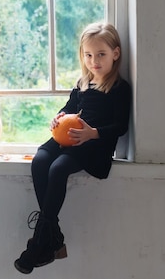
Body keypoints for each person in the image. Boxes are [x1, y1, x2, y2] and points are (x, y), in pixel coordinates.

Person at [14, 22, 132, 274]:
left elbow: (120, 126)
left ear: (116, 53)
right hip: (67, 138)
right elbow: (68, 108)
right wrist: (57, 117)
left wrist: (93, 133)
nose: (94, 61)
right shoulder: (82, 83)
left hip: (92, 146)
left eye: (100, 54)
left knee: (58, 169)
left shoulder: (120, 89)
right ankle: (52, 236)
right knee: (40, 161)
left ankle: (39, 241)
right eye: (88, 55)